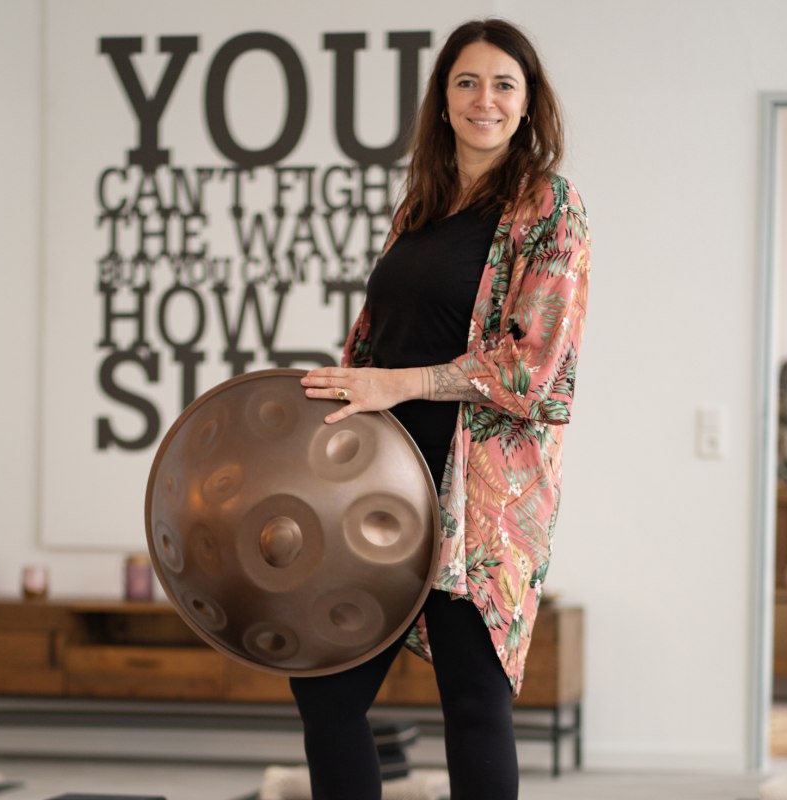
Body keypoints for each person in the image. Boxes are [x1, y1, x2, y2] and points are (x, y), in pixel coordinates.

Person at [292, 18, 591, 800]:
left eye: (502, 84)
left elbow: (535, 370)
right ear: (442, 98)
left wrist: (399, 384)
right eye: (466, 82)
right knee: (324, 689)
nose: (482, 99)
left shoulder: (547, 207)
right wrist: (349, 381)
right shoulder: (419, 206)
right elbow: (379, 336)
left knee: (472, 700)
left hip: (476, 497)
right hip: (377, 484)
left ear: (527, 104)